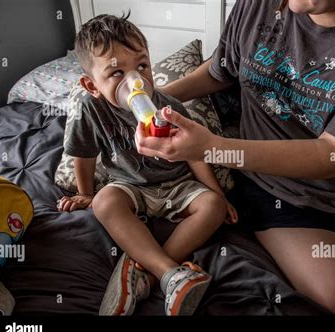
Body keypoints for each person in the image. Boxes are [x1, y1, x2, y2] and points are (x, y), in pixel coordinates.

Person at [135, 0, 335, 315]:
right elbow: (220, 71)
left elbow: (334, 154)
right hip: (277, 189)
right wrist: (156, 101)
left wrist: (211, 147)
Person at [57, 14, 238, 316]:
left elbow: (195, 154)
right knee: (105, 202)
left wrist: (215, 192)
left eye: (142, 66)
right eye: (116, 72)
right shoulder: (90, 109)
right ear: (91, 85)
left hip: (176, 184)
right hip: (129, 186)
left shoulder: (169, 108)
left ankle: (153, 273)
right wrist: (87, 194)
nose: (136, 81)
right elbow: (84, 155)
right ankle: (170, 272)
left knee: (213, 208)